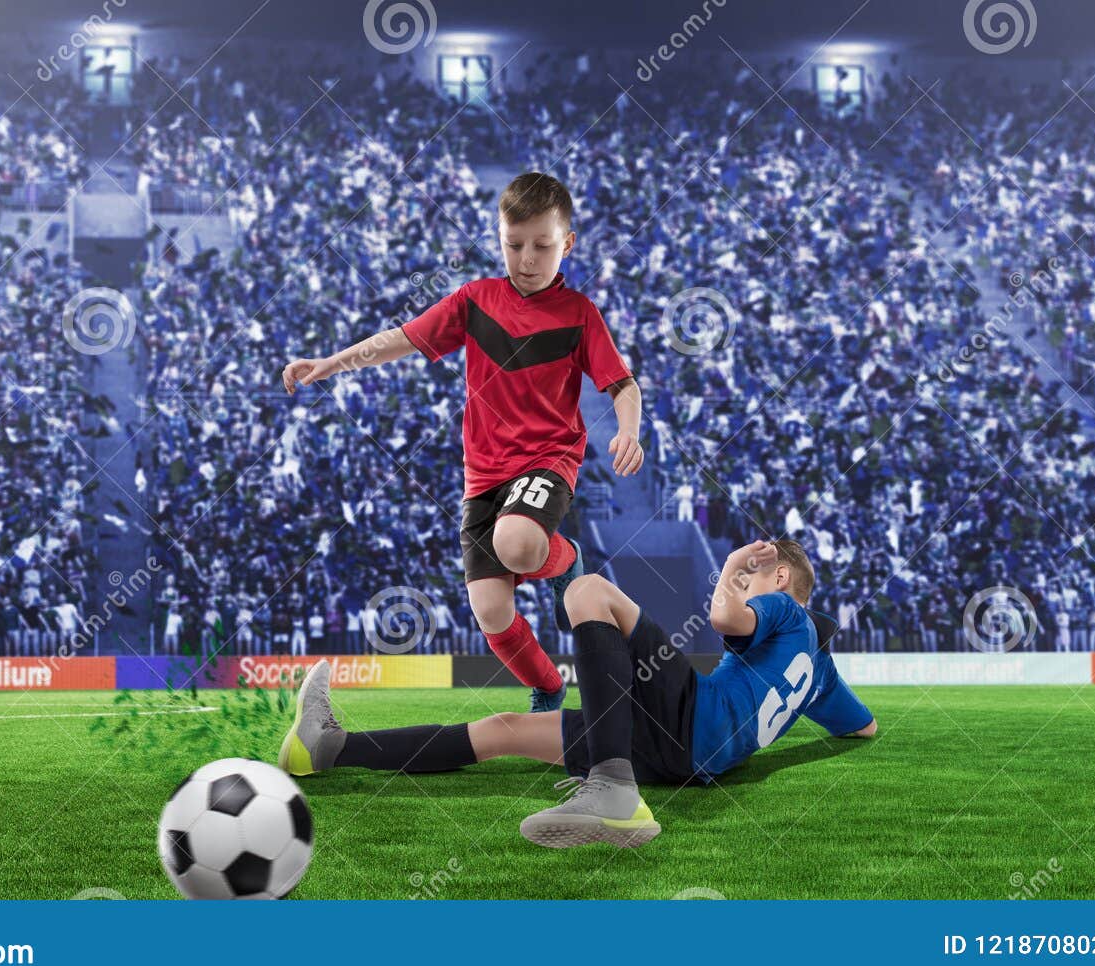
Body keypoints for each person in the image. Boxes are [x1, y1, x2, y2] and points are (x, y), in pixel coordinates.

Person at [282, 172, 642, 712]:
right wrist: (332, 362)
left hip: (547, 462)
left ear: (567, 243)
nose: (526, 258)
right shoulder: (476, 300)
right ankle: (548, 687)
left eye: (542, 246)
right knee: (491, 611)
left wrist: (629, 430)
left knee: (518, 543)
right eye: (512, 244)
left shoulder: (579, 314)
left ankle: (564, 561)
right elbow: (400, 339)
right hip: (483, 478)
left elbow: (622, 384)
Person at [281, 538, 877, 849]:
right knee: (505, 731)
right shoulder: (821, 673)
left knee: (589, 590)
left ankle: (613, 788)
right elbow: (863, 727)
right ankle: (327, 747)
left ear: (778, 580)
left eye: (757, 578)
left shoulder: (786, 610)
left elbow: (725, 618)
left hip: (693, 717)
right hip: (690, 758)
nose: (749, 585)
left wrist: (730, 572)